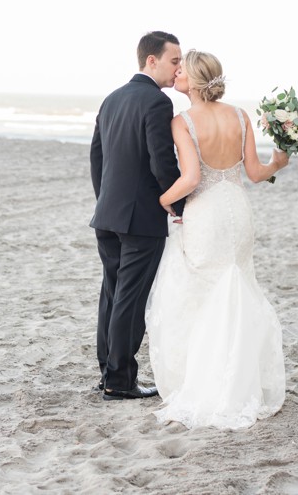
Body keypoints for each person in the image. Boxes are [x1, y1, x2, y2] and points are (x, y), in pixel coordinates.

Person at [145, 49, 289, 428]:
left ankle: (210, 382)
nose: (176, 73)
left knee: (201, 294)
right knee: (238, 286)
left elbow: (191, 178)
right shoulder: (240, 116)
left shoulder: (183, 122)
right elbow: (256, 173)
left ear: (192, 80)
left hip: (206, 212)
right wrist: (279, 163)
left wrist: (161, 200)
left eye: (181, 70)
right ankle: (242, 380)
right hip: (237, 209)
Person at [90, 31, 185, 401]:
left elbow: (97, 157)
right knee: (130, 299)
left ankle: (107, 373)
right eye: (174, 61)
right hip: (140, 219)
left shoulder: (112, 99)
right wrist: (178, 202)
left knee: (112, 294)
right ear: (152, 60)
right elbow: (162, 162)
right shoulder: (157, 103)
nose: (178, 69)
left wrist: (106, 200)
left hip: (108, 214)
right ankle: (120, 381)